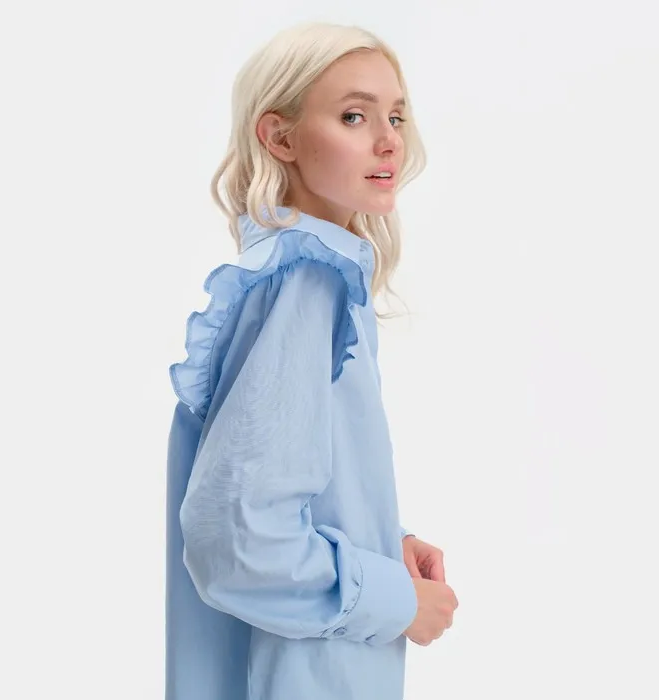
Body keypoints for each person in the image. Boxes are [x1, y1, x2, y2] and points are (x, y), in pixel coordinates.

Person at [166, 21, 459, 700]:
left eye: (396, 117)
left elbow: (271, 484)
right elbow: (237, 543)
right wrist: (396, 600)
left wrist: (383, 539)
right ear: (280, 137)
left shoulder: (299, 273)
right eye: (355, 116)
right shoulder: (306, 282)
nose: (389, 140)